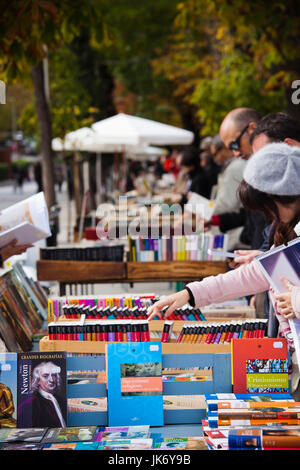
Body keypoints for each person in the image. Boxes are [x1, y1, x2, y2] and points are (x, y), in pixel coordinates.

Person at [147, 142, 300, 398]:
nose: (268, 215)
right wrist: (189, 294)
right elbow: (251, 276)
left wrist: (295, 299)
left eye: (268, 207)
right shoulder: (288, 228)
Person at [17, 361, 66, 428]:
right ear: (38, 380)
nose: (51, 380)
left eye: (54, 375)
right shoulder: (32, 402)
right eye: (45, 376)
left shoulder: (60, 400)